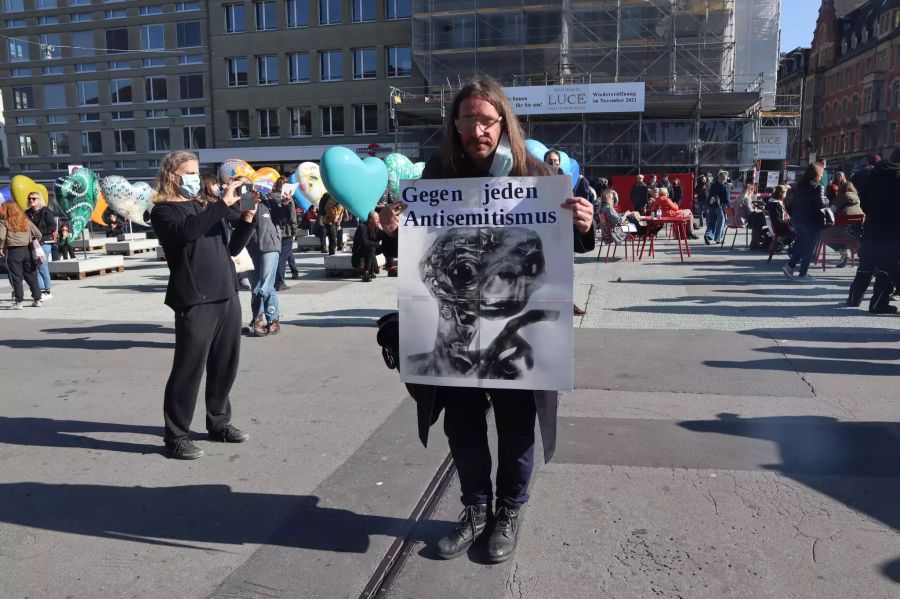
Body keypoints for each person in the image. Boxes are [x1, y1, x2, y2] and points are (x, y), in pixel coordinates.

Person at [411, 74, 595, 564]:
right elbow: (418, 250)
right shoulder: (436, 173)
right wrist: (392, 230)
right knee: (463, 427)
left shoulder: (533, 171)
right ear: (455, 124)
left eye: (486, 120)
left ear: (502, 122)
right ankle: (475, 509)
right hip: (458, 330)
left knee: (516, 428)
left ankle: (509, 511)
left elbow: (563, 245)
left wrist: (582, 224)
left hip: (521, 330)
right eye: (468, 120)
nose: (477, 130)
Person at [150, 151, 256, 459]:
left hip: (227, 292)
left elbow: (232, 247)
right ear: (173, 176)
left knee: (225, 364)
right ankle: (177, 435)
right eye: (191, 172)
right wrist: (222, 203)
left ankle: (219, 422)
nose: (196, 178)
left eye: (198, 172)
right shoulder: (164, 210)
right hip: (195, 298)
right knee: (189, 368)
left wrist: (247, 214)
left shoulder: (203, 205)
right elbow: (188, 232)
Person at [850, 148, 900, 313]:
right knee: (888, 267)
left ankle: (853, 298)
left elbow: (862, 202)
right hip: (893, 230)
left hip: (872, 227)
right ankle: (878, 303)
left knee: (867, 264)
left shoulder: (873, 174)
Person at [246, 186, 283, 337]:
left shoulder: (269, 201)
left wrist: (275, 200)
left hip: (269, 245)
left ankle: (273, 318)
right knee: (255, 286)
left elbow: (281, 214)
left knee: (266, 286)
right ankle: (258, 318)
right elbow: (237, 220)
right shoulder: (242, 202)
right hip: (251, 245)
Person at [782, 163, 828, 281]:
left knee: (803, 244)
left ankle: (790, 266)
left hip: (798, 220)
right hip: (811, 221)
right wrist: (827, 201)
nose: (822, 174)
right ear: (817, 174)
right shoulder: (818, 187)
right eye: (821, 172)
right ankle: (801, 273)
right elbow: (821, 204)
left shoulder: (799, 186)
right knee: (809, 247)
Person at [0, 200, 44, 309]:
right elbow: (38, 234)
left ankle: (19, 302)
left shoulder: (4, 221)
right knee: (31, 275)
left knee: (16, 276)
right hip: (27, 250)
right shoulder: (25, 220)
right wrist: (32, 243)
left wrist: (1, 247)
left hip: (13, 251)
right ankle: (37, 299)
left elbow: (1, 237)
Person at [821, 180, 863, 268]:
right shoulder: (857, 199)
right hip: (855, 234)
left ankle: (843, 252)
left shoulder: (841, 197)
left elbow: (831, 211)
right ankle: (844, 252)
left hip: (841, 233)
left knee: (821, 234)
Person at [269, 178, 300, 290]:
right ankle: (279, 282)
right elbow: (293, 217)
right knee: (282, 259)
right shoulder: (288, 198)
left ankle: (275, 280)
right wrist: (294, 231)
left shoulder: (269, 197)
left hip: (272, 231)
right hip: (285, 232)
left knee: (276, 258)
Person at [25, 191, 56, 300]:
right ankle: (41, 290)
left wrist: (38, 232)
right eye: (29, 198)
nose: (31, 200)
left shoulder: (46, 212)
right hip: (32, 243)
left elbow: (52, 227)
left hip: (44, 242)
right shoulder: (27, 213)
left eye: (34, 198)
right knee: (35, 267)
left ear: (39, 199)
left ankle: (47, 291)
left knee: (42, 266)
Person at [351, 211, 384, 282]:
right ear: (371, 219)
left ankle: (390, 267)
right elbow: (364, 242)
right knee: (371, 248)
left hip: (370, 249)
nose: (378, 220)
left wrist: (381, 229)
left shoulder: (376, 227)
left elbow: (383, 237)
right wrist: (378, 244)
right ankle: (365, 273)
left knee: (386, 245)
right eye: (377, 219)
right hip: (359, 251)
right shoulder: (362, 227)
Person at [765, 185, 795, 252]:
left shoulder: (776, 202)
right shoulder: (776, 204)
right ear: (782, 193)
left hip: (780, 224)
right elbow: (776, 219)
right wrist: (788, 222)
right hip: (779, 227)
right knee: (797, 231)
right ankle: (786, 244)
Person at [705, 171, 731, 245]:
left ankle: (708, 235)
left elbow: (709, 195)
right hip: (720, 206)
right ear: (725, 178)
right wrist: (729, 206)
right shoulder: (725, 186)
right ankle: (718, 239)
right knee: (721, 221)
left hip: (712, 205)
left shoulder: (713, 185)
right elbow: (727, 199)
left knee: (711, 221)